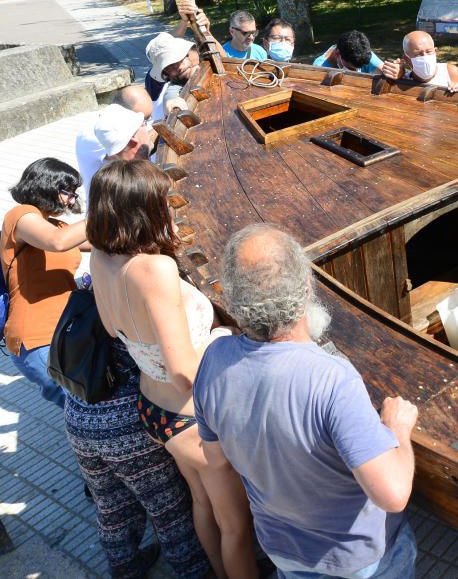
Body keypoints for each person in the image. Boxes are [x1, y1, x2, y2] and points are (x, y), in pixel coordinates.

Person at [194, 224, 419, 578]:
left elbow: (216, 460)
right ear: (305, 289)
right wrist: (398, 430)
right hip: (358, 563)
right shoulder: (332, 379)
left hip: (284, 552)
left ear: (234, 301)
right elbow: (393, 495)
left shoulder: (213, 361)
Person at [86, 160, 257, 579]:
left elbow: (114, 329)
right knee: (237, 524)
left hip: (154, 411)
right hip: (192, 416)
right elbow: (183, 370)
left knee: (201, 502)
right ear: (145, 208)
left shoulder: (100, 259)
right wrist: (221, 341)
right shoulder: (155, 270)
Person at [2, 159, 88, 409]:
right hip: (38, 340)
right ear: (46, 185)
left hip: (65, 332)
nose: (72, 201)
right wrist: (111, 209)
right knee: (82, 410)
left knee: (91, 408)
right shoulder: (20, 216)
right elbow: (58, 241)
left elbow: (101, 242)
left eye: (74, 194)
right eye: (67, 192)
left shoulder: (56, 225)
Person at [75, 87, 153, 207]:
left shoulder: (118, 126)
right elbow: (138, 154)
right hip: (109, 212)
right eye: (143, 121)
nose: (145, 127)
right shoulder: (97, 134)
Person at [145, 0, 212, 101]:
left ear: (190, 53)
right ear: (164, 74)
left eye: (180, 57)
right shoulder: (162, 87)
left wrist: (201, 29)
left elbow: (224, 59)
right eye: (169, 65)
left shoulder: (202, 61)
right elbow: (170, 99)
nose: (178, 67)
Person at [381, 30, 458, 91]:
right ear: (407, 59)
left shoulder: (450, 72)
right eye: (418, 54)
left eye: (429, 51)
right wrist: (393, 76)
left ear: (436, 52)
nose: (425, 57)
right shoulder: (404, 79)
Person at [146, 32, 202, 123]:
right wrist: (172, 104)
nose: (178, 67)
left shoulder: (203, 64)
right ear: (166, 74)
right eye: (170, 66)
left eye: (179, 59)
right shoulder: (174, 86)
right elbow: (170, 97)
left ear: (187, 55)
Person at [313, 30, 384, 73]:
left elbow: (383, 71)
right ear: (338, 54)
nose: (356, 72)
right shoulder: (319, 68)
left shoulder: (361, 53)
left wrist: (393, 73)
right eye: (351, 69)